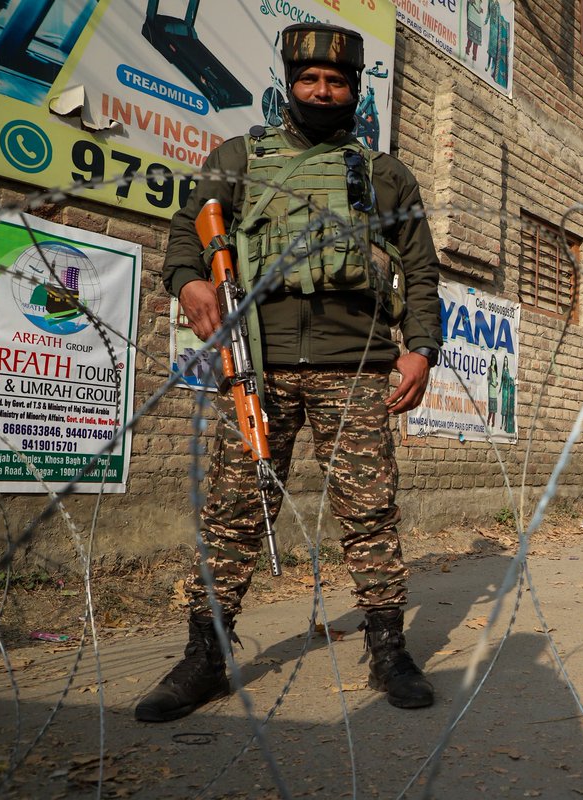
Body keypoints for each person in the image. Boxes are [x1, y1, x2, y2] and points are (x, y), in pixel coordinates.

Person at [137, 22, 444, 723]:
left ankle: (389, 647)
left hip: (356, 361)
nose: (322, 90)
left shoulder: (385, 173)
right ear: (289, 84)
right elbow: (189, 230)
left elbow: (421, 269)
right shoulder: (241, 157)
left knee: (368, 513)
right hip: (258, 363)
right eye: (310, 79)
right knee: (234, 515)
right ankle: (204, 656)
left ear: (354, 89)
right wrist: (188, 282)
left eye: (336, 82)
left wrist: (421, 345)